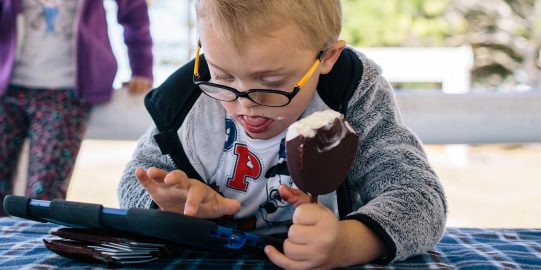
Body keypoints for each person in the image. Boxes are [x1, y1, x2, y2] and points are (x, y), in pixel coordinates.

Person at [118, 0, 447, 268]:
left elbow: (420, 198)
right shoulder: (182, 103)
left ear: (327, 57)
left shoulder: (352, 95)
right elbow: (133, 183)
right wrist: (168, 209)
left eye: (272, 83)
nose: (245, 103)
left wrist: (347, 243)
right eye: (222, 76)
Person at [0, 0, 153, 213]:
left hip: (66, 91)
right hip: (6, 88)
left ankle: (38, 245)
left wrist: (142, 67)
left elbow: (133, 9)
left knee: (44, 194)